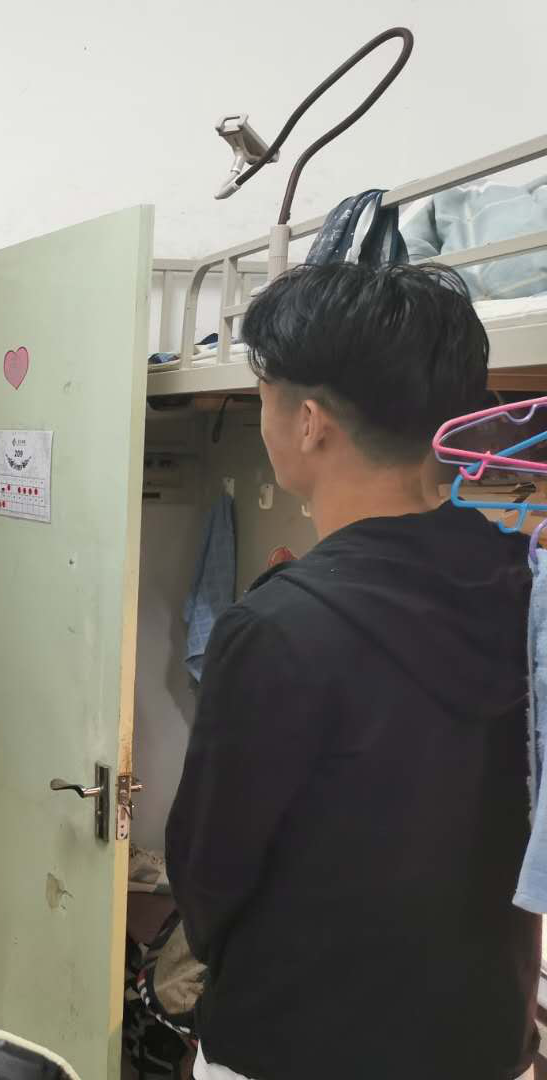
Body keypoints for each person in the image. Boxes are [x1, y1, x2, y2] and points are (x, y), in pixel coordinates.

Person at [167, 263, 539, 1080]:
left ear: (309, 423)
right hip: (486, 1039)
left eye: (263, 393)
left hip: (299, 1042)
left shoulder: (276, 629)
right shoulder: (528, 587)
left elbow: (209, 877)